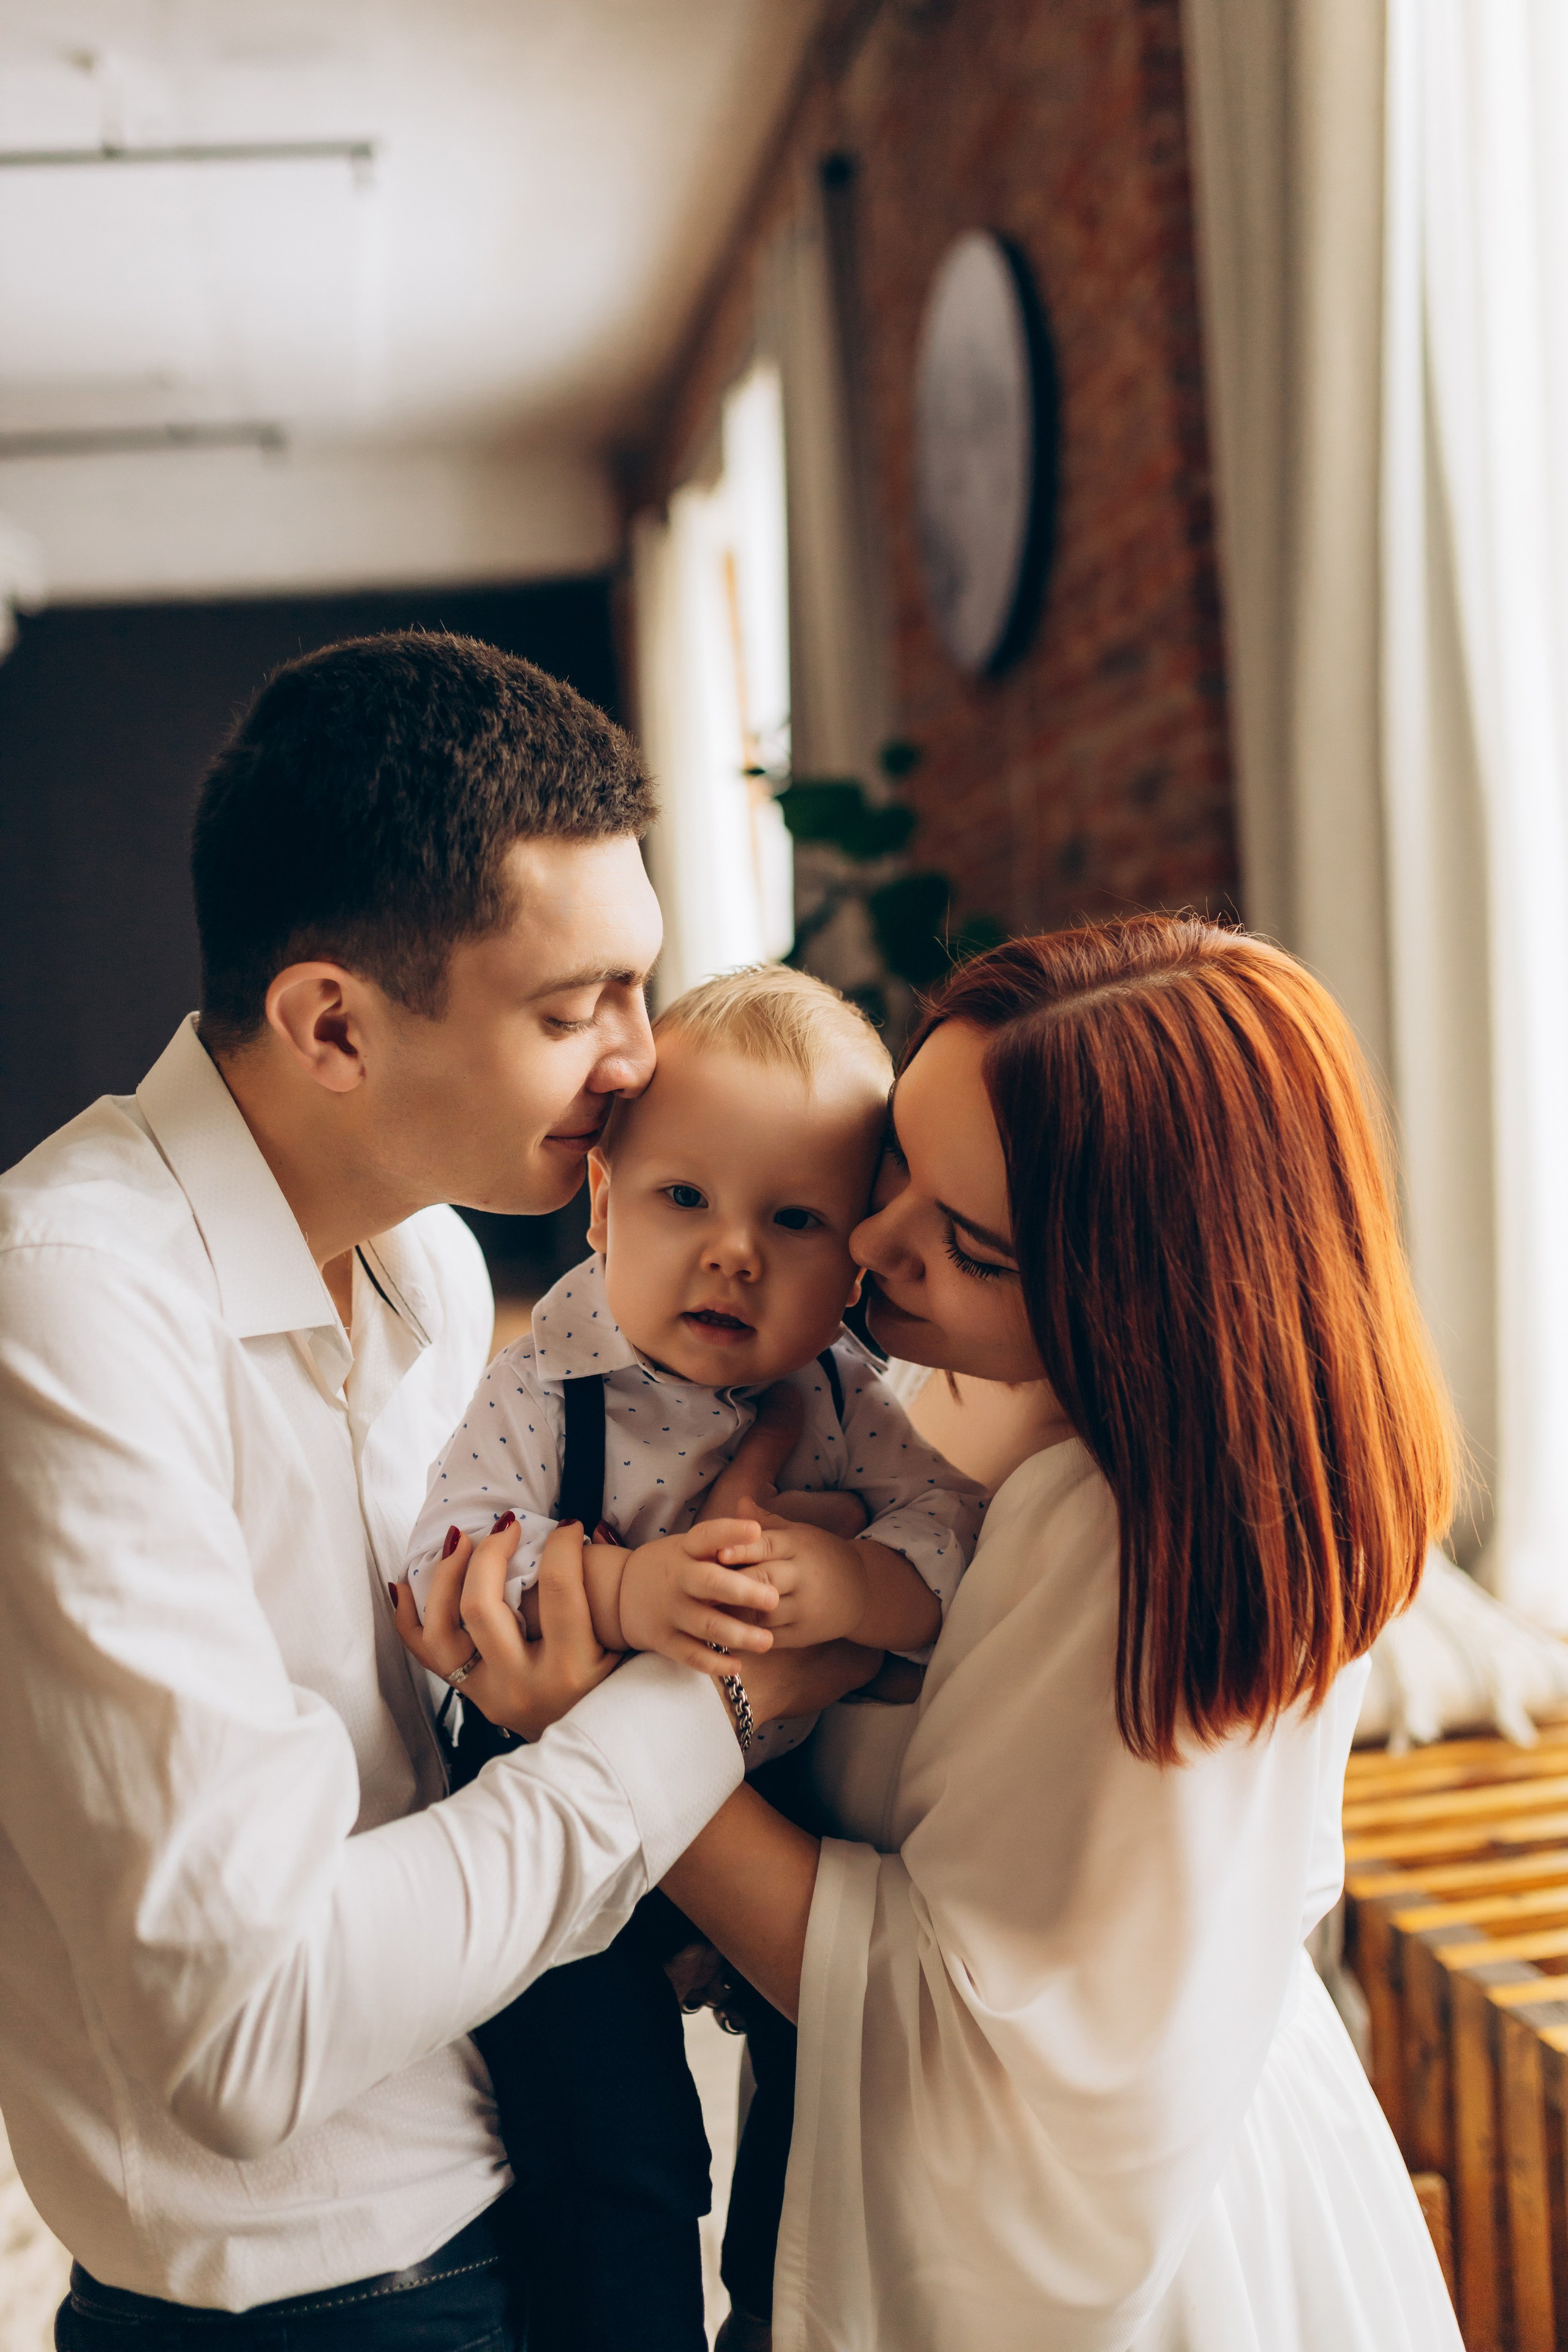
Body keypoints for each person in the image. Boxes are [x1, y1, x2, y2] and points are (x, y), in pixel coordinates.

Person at [0, 631, 867, 2351]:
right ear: (333, 1021)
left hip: (559, 2180)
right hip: (325, 2307)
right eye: (576, 1008)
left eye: (644, 983)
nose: (641, 1059)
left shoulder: (437, 1267)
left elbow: (469, 1733)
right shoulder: (70, 1309)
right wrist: (716, 1695)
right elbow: (248, 2039)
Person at [652, 916, 1463, 2351]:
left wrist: (602, 1755)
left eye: (968, 1246)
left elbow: (977, 2052)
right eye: (895, 1150)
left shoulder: (1126, 1527)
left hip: (1130, 2240)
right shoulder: (910, 1374)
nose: (869, 1237)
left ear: (1136, 1302)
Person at [395, 964, 982, 2350]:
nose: (733, 1253)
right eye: (681, 1200)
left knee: (820, 2107)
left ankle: (772, 2314)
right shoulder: (552, 1375)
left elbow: (947, 1547)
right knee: (620, 2166)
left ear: (851, 1258)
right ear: (601, 1204)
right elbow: (441, 1563)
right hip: (557, 1826)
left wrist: (852, 1580)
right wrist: (613, 1585)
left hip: (758, 1816)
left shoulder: (844, 1398)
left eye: (792, 1220)